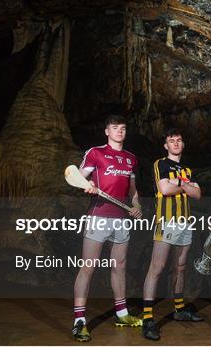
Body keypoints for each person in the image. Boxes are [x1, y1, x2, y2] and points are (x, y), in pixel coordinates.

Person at [72, 115, 143, 342]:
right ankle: (79, 321)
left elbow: (132, 188)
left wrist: (136, 204)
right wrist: (88, 185)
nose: (120, 132)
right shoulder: (96, 153)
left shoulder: (130, 158)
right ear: (107, 131)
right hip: (99, 216)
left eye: (123, 128)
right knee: (88, 267)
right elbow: (77, 177)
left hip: (122, 218)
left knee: (119, 266)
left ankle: (121, 313)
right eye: (115, 128)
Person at [142, 129, 203, 341]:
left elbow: (198, 194)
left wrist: (180, 184)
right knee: (157, 267)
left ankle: (179, 310)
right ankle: (148, 318)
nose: (176, 143)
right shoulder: (161, 164)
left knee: (181, 266)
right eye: (171, 141)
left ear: (183, 144)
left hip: (185, 222)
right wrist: (186, 186)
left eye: (179, 140)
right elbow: (165, 189)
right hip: (166, 221)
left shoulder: (186, 169)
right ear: (166, 146)